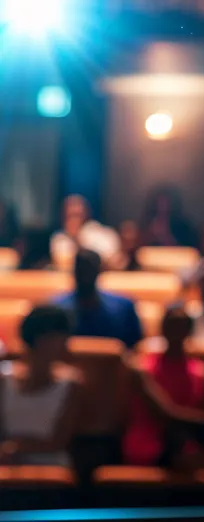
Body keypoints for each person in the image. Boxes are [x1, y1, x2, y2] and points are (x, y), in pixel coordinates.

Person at [123, 307, 204, 470]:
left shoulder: (203, 374)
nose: (176, 332)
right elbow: (165, 414)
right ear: (163, 328)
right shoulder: (142, 369)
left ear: (189, 331)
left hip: (188, 446)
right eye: (172, 326)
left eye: (181, 327)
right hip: (149, 444)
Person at [0, 306, 82, 466]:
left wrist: (18, 447)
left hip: (51, 467)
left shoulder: (71, 384)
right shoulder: (4, 378)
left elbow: (60, 441)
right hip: (6, 464)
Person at [53, 249, 143, 349]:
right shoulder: (54, 311)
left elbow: (134, 348)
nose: (85, 276)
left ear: (99, 271)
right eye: (81, 270)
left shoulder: (124, 308)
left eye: (89, 270)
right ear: (74, 272)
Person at [49, 195, 120, 271]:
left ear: (86, 213)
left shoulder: (101, 233)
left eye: (77, 215)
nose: (74, 220)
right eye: (70, 215)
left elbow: (113, 260)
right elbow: (63, 263)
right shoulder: (59, 238)